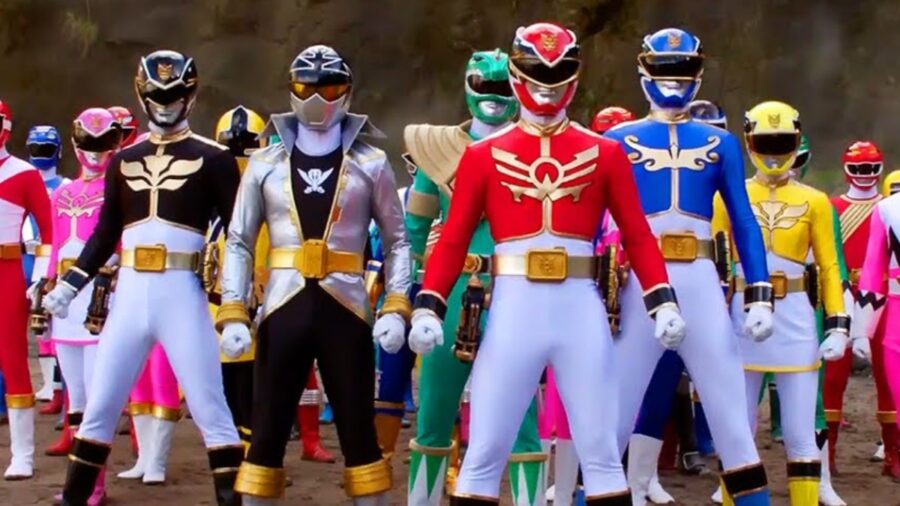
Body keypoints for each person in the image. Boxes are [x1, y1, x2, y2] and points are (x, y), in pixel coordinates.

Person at [408, 22, 686, 506]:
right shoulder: (483, 156)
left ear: (573, 79)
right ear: (518, 77)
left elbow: (638, 234)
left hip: (578, 309)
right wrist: (430, 303)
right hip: (515, 309)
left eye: (557, 76)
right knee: (484, 453)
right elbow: (452, 238)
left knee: (601, 453)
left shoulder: (605, 153)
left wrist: (662, 299)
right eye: (537, 75)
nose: (546, 88)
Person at [43, 50, 244, 506]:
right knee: (100, 405)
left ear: (190, 96)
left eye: (174, 96)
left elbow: (238, 236)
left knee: (211, 407)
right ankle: (75, 497)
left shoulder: (214, 158)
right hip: (131, 292)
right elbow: (105, 233)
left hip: (183, 291)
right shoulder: (124, 160)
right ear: (142, 94)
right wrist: (70, 284)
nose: (165, 105)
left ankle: (232, 499)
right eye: (157, 96)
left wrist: (235, 304)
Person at [217, 45, 410, 505]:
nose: (319, 98)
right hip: (283, 305)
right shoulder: (265, 162)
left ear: (347, 92)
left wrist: (396, 304)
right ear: (291, 89)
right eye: (307, 88)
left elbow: (399, 240)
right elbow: (239, 239)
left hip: (346, 307)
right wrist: (233, 308)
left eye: (331, 88)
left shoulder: (371, 162)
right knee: (266, 433)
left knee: (359, 435)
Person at [604, 28, 774, 506]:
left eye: (682, 70)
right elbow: (597, 223)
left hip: (699, 278)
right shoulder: (615, 141)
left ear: (698, 74)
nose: (673, 80)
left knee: (732, 423)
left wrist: (760, 290)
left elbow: (743, 219)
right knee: (612, 420)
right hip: (639, 281)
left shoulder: (720, 143)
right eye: (663, 70)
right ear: (643, 73)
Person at [404, 49, 546, 506]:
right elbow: (414, 226)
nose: (493, 97)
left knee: (524, 418)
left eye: (502, 87)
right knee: (434, 411)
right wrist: (420, 285)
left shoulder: (538, 149)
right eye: (484, 86)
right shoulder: (436, 148)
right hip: (453, 290)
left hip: (513, 289)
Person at [712, 101, 849, 505]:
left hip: (796, 318)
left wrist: (838, 323)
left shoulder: (817, 201)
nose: (773, 153)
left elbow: (829, 265)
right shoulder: (727, 196)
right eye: (766, 142)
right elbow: (715, 263)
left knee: (800, 432)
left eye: (782, 142)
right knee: (736, 429)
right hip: (741, 314)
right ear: (750, 142)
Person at [541, 104, 636, 505]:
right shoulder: (579, 186)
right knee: (562, 400)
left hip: (626, 304)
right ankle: (563, 489)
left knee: (617, 398)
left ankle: (619, 482)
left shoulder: (634, 190)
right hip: (578, 299)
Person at [42, 107, 123, 505]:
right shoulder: (62, 193)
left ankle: (95, 484)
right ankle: (78, 482)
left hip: (100, 296)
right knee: (75, 396)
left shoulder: (119, 190)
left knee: (96, 397)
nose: (94, 151)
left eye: (103, 143)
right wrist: (44, 284)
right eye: (88, 143)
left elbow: (120, 243)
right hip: (65, 301)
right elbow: (56, 244)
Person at [825, 141, 896, 478]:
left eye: (870, 168)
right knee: (833, 377)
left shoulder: (889, 208)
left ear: (880, 169)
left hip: (883, 296)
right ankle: (829, 453)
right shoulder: (831, 207)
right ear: (846, 169)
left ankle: (893, 454)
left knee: (889, 376)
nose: (864, 174)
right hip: (841, 294)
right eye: (858, 168)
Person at [0, 99, 53, 480]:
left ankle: (23, 454)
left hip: (7, 271)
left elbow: (49, 230)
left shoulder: (24, 173)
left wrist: (42, 277)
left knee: (13, 359)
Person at [23, 125, 68, 410]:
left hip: (53, 256)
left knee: (54, 321)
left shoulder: (65, 186)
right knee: (38, 327)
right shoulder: (23, 181)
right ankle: (49, 384)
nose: (41, 153)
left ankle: (59, 387)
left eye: (46, 148)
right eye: (36, 147)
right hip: (25, 254)